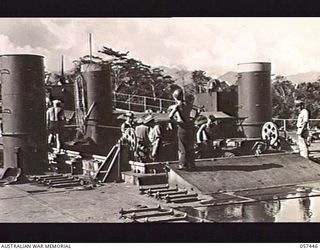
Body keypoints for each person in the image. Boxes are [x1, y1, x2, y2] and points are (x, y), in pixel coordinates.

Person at [169, 89, 195, 170]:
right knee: (190, 146)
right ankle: (191, 164)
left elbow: (170, 116)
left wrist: (176, 122)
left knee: (182, 146)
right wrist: (192, 120)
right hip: (189, 126)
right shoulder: (188, 104)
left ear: (175, 97)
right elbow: (196, 111)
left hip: (182, 127)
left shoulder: (177, 106)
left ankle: (183, 164)